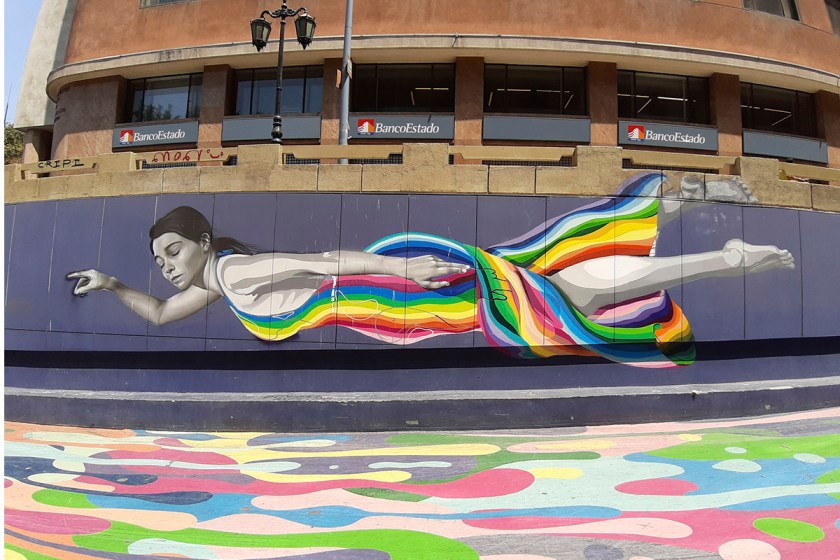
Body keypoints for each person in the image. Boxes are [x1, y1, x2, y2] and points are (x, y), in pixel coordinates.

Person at [68, 172, 794, 367]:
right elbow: (159, 314)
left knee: (554, 295)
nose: (166, 268)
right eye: (158, 261)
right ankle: (699, 237)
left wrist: (407, 271)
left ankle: (721, 258)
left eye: (172, 253)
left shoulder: (234, 276)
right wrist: (113, 285)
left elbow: (322, 261)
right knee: (543, 279)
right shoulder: (217, 285)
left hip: (397, 296)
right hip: (391, 302)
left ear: (202, 243)